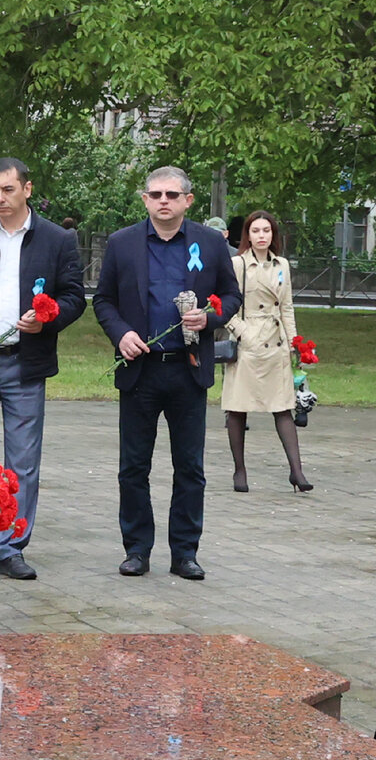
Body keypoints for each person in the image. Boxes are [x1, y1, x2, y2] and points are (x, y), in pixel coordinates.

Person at [92, 166, 241, 581]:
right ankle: (137, 549)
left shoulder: (210, 244)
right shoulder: (123, 244)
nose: (163, 201)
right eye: (155, 194)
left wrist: (211, 318)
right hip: (140, 370)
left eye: (172, 195)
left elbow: (232, 295)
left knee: (189, 467)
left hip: (187, 371)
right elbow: (103, 300)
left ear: (187, 201)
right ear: (144, 199)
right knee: (133, 467)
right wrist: (121, 334)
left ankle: (185, 553)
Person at [0, 157, 87, 580]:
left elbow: (75, 297)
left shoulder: (57, 239)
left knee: (23, 461)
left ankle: (11, 546)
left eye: (8, 190)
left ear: (27, 189)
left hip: (26, 364)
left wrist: (49, 317)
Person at [221, 211, 310, 493]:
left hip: (276, 343)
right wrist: (243, 333)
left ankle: (297, 472)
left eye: (267, 231)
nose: (261, 236)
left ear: (274, 235)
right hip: (248, 342)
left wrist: (296, 342)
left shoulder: (281, 264)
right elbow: (224, 306)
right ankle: (240, 471)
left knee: (283, 407)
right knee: (238, 408)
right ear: (247, 235)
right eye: (256, 231)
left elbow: (286, 307)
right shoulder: (237, 264)